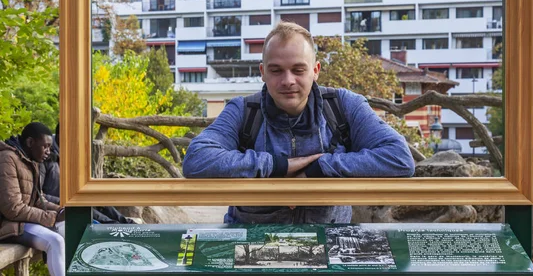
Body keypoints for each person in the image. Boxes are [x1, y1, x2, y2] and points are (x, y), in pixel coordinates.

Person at [183, 21, 415, 224]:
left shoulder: (344, 106)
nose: (288, 80)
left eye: (298, 69)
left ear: (315, 70)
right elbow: (197, 159)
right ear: (262, 72)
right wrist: (278, 167)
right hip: (253, 246)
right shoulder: (243, 111)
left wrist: (320, 169)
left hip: (329, 245)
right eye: (276, 70)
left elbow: (399, 158)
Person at [0, 122, 65, 276]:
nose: (49, 151)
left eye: (50, 147)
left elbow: (37, 200)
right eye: (45, 146)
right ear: (30, 143)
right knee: (55, 241)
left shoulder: (29, 160)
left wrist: (60, 209)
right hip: (8, 224)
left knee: (69, 229)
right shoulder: (7, 159)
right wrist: (52, 217)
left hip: (22, 221)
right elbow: (12, 209)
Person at [39, 123, 135, 225]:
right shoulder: (43, 156)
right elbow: (40, 195)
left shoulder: (73, 153)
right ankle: (116, 227)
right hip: (59, 203)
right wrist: (63, 201)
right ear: (60, 136)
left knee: (100, 199)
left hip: (75, 195)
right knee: (89, 210)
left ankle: (128, 224)